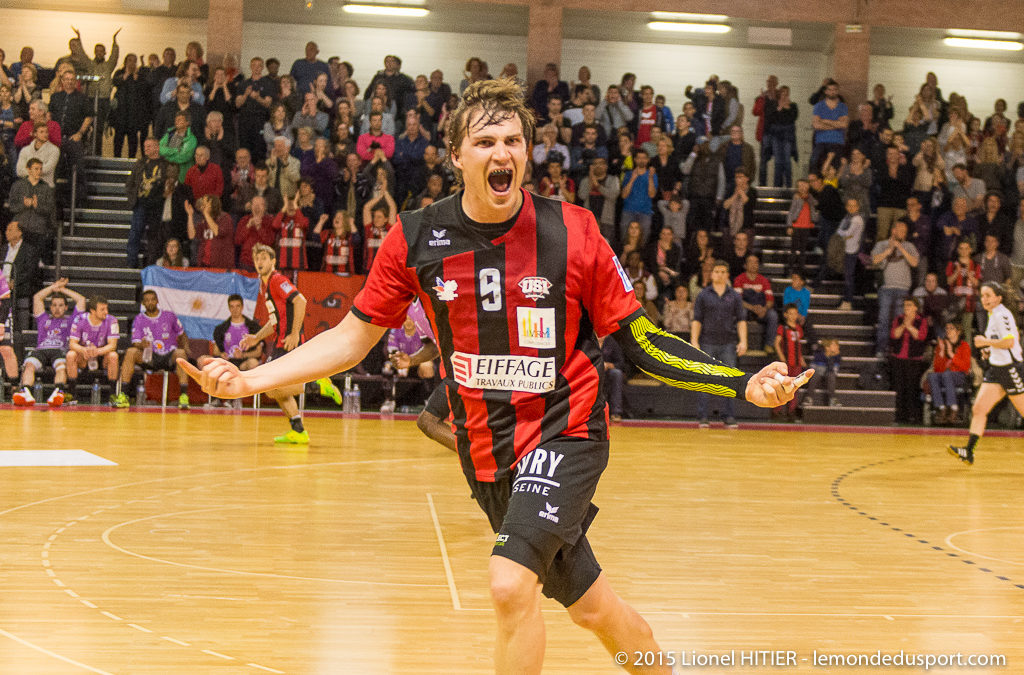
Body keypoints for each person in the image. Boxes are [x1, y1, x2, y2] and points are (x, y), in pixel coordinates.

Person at [181, 78, 806, 673]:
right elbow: (351, 338)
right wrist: (250, 380)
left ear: (528, 153)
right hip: (487, 455)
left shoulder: (575, 231)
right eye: (484, 141)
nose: (501, 153)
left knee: (509, 585)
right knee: (594, 610)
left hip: (566, 430)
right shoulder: (416, 238)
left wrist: (740, 382)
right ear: (457, 155)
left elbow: (641, 341)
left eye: (513, 140)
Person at [948, 282, 1024, 464]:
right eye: (982, 296)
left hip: (1010, 368)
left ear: (999, 298)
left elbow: (1010, 342)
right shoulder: (993, 314)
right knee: (979, 409)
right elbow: (1002, 341)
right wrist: (989, 350)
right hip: (996, 370)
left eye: (988, 295)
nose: (985, 299)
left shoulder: (1002, 314)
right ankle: (969, 452)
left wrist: (985, 342)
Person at [692, 260, 748, 428]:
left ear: (727, 275)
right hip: (707, 342)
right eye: (717, 271)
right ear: (712, 274)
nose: (720, 274)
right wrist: (694, 341)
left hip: (728, 343)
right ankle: (702, 416)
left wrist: (743, 341)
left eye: (723, 272)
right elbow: (697, 319)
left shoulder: (735, 296)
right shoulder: (703, 295)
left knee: (729, 380)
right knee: (705, 379)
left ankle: (729, 416)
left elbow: (741, 320)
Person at [12, 278, 85, 407]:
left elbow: (81, 300)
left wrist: (62, 289)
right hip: (41, 350)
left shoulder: (70, 321)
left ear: (66, 307)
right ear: (50, 307)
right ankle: (25, 392)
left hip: (59, 350)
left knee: (61, 366)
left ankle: (58, 392)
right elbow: (37, 298)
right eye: (54, 305)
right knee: (29, 365)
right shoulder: (43, 319)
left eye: (60, 305)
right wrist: (53, 287)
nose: (57, 308)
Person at [112, 290, 190, 409]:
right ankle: (123, 395)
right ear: (143, 303)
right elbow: (135, 342)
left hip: (169, 355)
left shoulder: (169, 315)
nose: (150, 302)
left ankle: (184, 397)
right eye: (147, 300)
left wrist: (186, 347)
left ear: (157, 300)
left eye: (153, 299)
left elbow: (182, 334)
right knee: (131, 352)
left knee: (181, 353)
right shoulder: (139, 319)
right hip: (150, 356)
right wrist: (141, 345)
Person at [202, 293, 264, 408]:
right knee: (205, 361)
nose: (235, 309)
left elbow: (258, 352)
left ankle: (237, 397)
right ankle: (216, 398)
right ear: (229, 308)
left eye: (238, 306)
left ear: (242, 307)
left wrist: (243, 355)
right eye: (232, 306)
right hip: (227, 361)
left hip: (243, 361)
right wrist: (222, 354)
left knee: (253, 363)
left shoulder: (253, 327)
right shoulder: (221, 328)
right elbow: (215, 351)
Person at [870, 219, 919, 356]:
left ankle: (896, 349)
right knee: (883, 319)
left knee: (899, 320)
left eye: (905, 232)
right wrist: (889, 250)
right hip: (886, 287)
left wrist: (901, 248)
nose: (903, 233)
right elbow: (874, 260)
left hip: (903, 288)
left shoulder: (909, 246)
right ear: (893, 231)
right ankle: (881, 348)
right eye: (901, 231)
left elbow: (914, 263)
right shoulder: (881, 244)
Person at [66, 295, 120, 401]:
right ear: (92, 311)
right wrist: (84, 350)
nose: (106, 312)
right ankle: (72, 394)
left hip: (102, 356)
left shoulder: (112, 320)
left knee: (113, 356)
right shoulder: (79, 319)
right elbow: (72, 344)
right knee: (71, 355)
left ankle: (113, 395)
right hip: (84, 356)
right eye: (102, 309)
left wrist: (97, 351)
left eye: (106, 308)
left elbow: (113, 345)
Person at [889, 297, 928, 424]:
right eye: (905, 305)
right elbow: (894, 334)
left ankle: (912, 416)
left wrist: (909, 326)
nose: (906, 308)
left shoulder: (921, 321)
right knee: (899, 387)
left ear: (916, 307)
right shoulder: (898, 319)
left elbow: (920, 336)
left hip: (914, 359)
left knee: (912, 388)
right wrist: (903, 325)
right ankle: (899, 415)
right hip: (898, 357)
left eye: (909, 305)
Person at [928, 321, 972, 425]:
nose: (948, 331)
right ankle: (941, 407)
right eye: (947, 328)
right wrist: (941, 353)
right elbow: (937, 369)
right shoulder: (942, 344)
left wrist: (951, 354)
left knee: (947, 375)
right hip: (945, 375)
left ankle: (953, 408)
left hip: (959, 375)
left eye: (951, 328)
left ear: (958, 331)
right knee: (933, 376)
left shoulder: (964, 346)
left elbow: (965, 367)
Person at [733, 253, 779, 354]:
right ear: (745, 265)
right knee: (741, 312)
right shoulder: (739, 279)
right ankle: (742, 343)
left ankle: (769, 345)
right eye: (751, 262)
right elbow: (738, 300)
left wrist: (764, 309)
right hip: (747, 308)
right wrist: (752, 308)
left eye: (756, 262)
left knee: (773, 315)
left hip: (761, 310)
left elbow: (770, 300)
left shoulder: (764, 280)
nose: (754, 264)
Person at [774, 303, 806, 420]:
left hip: (796, 363)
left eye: (795, 313)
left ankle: (791, 411)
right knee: (782, 386)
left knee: (794, 387)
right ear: (785, 315)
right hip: (786, 362)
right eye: (791, 314)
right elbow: (776, 343)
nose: (793, 316)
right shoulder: (782, 328)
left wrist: (801, 359)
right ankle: (777, 410)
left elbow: (798, 345)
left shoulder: (798, 329)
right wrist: (781, 356)